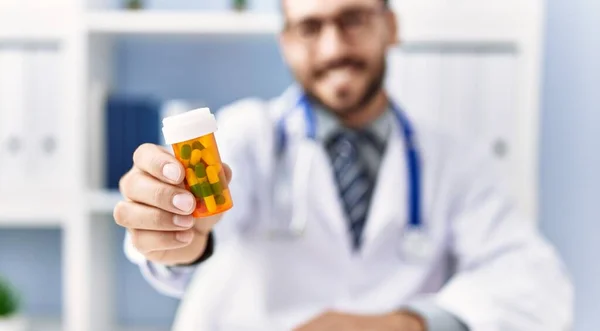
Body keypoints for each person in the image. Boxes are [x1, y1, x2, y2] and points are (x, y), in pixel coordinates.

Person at [114, 0, 573, 330]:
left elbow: (536, 284)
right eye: (310, 27)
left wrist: (405, 325)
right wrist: (177, 233)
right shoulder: (244, 136)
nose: (333, 47)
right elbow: (192, 240)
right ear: (285, 42)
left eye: (352, 19)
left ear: (391, 26)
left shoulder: (455, 161)